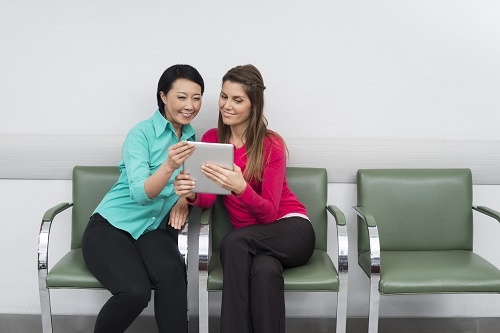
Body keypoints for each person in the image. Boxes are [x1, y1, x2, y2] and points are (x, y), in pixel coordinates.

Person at [174, 64, 316, 333]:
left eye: (237, 100)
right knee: (265, 273)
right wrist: (191, 193)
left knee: (234, 242)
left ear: (253, 105)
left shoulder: (270, 144)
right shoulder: (212, 140)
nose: (226, 105)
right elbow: (206, 199)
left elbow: (269, 214)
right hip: (255, 245)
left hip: (292, 229)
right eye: (224, 96)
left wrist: (241, 188)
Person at [82, 64, 204, 333]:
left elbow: (196, 187)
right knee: (134, 292)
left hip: (154, 231)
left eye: (196, 97)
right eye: (181, 97)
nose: (190, 105)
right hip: (111, 227)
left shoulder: (195, 140)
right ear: (163, 96)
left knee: (173, 276)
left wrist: (186, 199)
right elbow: (139, 194)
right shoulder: (141, 134)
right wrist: (169, 166)